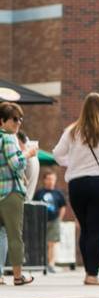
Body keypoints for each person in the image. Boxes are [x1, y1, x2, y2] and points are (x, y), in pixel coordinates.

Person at [52, 93, 99, 285]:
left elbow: (57, 154)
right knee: (96, 230)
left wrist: (73, 163)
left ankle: (89, 271)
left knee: (86, 229)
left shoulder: (73, 130)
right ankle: (92, 275)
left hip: (77, 184)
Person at [0, 102, 38, 285]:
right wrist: (28, 154)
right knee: (15, 235)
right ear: (2, 121)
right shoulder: (8, 138)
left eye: (20, 119)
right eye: (14, 119)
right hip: (11, 193)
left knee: (1, 234)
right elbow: (15, 163)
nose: (18, 123)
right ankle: (17, 276)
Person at [33, 170, 66, 274]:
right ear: (44, 180)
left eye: (53, 179)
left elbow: (63, 206)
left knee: (51, 243)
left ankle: (51, 264)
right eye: (49, 179)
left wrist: (59, 219)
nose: (51, 181)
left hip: (54, 220)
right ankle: (42, 263)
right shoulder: (39, 193)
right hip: (41, 221)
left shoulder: (58, 193)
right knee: (42, 243)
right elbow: (34, 205)